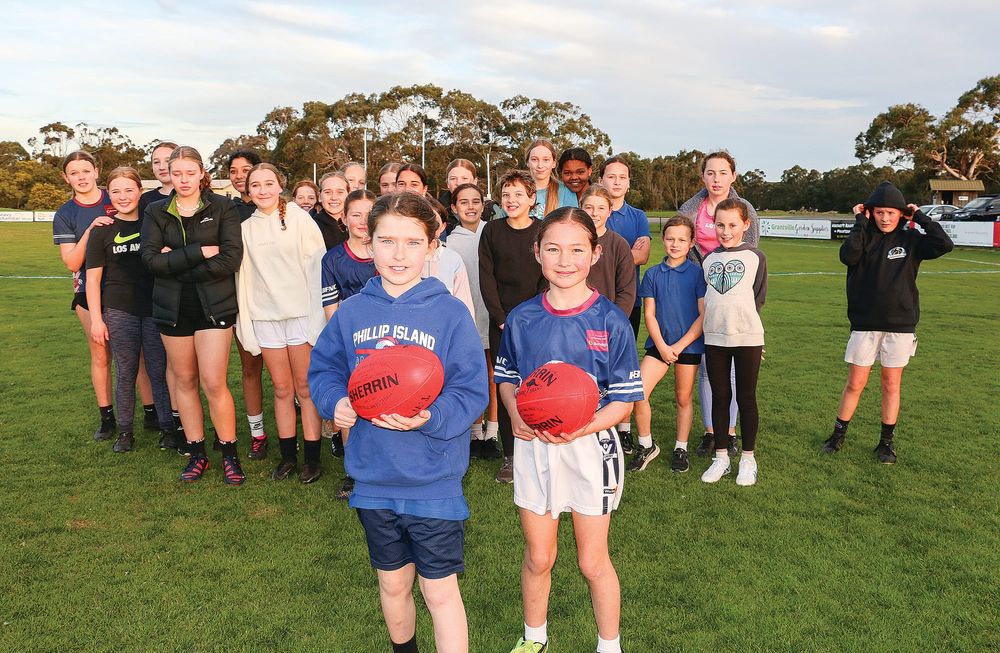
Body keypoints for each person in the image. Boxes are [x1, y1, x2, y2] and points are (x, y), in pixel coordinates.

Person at [308, 192, 488, 653]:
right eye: (387, 241)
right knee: (392, 586)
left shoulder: (449, 313)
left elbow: (472, 391)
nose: (399, 254)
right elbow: (324, 369)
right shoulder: (352, 312)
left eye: (412, 242)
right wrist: (336, 402)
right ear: (369, 244)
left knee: (439, 590)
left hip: (432, 479)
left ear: (432, 246)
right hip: (373, 476)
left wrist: (431, 417)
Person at [495, 207, 642, 653]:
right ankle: (534, 640)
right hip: (535, 447)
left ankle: (609, 646)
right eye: (553, 249)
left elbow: (623, 403)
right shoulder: (520, 318)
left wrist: (580, 426)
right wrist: (517, 415)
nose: (565, 260)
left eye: (577, 249)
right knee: (539, 556)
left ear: (595, 254)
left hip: (590, 449)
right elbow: (507, 379)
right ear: (537, 252)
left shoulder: (610, 320)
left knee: (592, 562)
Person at [821, 182, 953, 463]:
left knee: (891, 384)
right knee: (855, 383)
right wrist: (860, 222)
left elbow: (944, 243)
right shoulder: (863, 236)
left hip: (900, 325)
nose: (885, 218)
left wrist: (919, 216)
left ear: (900, 214)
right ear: (871, 213)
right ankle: (838, 435)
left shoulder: (911, 239)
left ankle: (886, 443)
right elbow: (848, 256)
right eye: (879, 212)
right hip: (864, 324)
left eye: (891, 213)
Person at [140, 146, 246, 485]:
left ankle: (230, 453)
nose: (183, 180)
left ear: (202, 173)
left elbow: (230, 260)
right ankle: (197, 452)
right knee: (184, 381)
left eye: (190, 173)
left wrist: (178, 266)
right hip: (172, 310)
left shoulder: (223, 207)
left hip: (214, 306)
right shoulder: (156, 211)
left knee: (213, 382)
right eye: (177, 173)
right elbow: (150, 261)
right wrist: (198, 252)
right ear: (168, 175)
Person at [236, 163, 327, 482]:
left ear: (279, 186)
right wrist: (245, 323)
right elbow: (244, 279)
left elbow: (318, 269)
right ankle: (289, 456)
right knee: (282, 388)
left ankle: (312, 458)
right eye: (255, 185)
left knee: (305, 387)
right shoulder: (246, 228)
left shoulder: (300, 219)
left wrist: (318, 317)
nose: (262, 190)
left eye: (268, 183)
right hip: (266, 318)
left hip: (301, 315)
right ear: (247, 190)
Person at [85, 167, 175, 453]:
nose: (123, 196)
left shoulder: (155, 224)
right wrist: (97, 320)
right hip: (119, 309)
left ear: (139, 191)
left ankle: (168, 429)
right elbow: (93, 279)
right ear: (108, 195)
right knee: (126, 370)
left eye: (128, 190)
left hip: (154, 308)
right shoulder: (102, 231)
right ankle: (125, 432)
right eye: (116, 191)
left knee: (158, 370)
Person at [678, 151, 759, 458]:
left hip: (734, 301)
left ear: (733, 176)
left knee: (735, 371)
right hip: (698, 294)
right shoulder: (690, 208)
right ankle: (712, 432)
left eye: (723, 173)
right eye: (710, 173)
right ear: (703, 176)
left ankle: (732, 432)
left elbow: (751, 260)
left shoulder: (745, 209)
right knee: (706, 368)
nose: (716, 179)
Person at [479, 170, 547, 483]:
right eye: (506, 194)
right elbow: (487, 278)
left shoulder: (541, 231)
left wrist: (529, 318)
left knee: (537, 384)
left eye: (518, 194)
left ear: (532, 199)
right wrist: (502, 317)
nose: (511, 200)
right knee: (506, 387)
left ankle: (540, 448)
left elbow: (545, 276)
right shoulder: (492, 231)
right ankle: (510, 456)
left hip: (535, 321)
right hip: (502, 323)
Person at [628, 216, 706, 473]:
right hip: (660, 346)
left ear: (691, 242)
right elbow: (649, 314)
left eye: (682, 239)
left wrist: (680, 346)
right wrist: (662, 346)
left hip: (689, 346)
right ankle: (646, 444)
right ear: (663, 240)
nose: (675, 244)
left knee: (683, 398)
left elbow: (702, 315)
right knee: (638, 391)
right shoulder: (652, 274)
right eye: (670, 238)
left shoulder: (698, 274)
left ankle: (680, 448)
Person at [699, 199, 767, 486]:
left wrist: (751, 332)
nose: (725, 231)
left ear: (745, 225)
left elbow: (758, 297)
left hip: (747, 337)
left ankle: (748, 459)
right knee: (720, 395)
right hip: (714, 338)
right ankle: (722, 458)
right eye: (720, 225)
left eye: (732, 225)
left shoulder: (756, 257)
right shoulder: (708, 259)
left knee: (746, 397)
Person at [53, 150, 118, 440]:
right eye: (74, 173)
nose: (81, 177)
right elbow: (71, 263)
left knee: (136, 354)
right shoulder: (66, 213)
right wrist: (91, 229)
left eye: (85, 170)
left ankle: (152, 412)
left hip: (125, 288)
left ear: (96, 171)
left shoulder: (115, 198)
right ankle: (106, 417)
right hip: (86, 292)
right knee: (100, 354)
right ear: (66, 178)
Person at [320, 188, 378, 496]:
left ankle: (383, 466)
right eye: (356, 214)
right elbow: (332, 312)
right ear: (343, 218)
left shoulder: (387, 254)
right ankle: (353, 470)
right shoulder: (333, 259)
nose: (363, 221)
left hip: (386, 342)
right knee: (350, 405)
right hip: (349, 343)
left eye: (370, 214)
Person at [600, 156, 650, 453]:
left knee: (623, 364)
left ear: (629, 182)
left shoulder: (638, 216)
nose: (616, 182)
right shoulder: (592, 211)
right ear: (602, 179)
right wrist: (623, 255)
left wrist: (607, 258)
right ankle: (598, 420)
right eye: (611, 176)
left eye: (622, 177)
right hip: (594, 301)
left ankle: (624, 427)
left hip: (627, 300)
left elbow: (642, 256)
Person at [447, 183, 500, 458]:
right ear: (454, 208)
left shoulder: (492, 233)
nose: (470, 207)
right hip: (466, 316)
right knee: (471, 374)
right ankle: (473, 432)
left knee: (493, 374)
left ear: (483, 205)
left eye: (476, 201)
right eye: (463, 202)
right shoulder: (449, 242)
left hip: (490, 314)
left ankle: (492, 432)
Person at [579, 184, 635, 317]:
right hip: (573, 317)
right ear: (580, 208)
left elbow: (626, 291)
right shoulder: (568, 241)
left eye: (601, 208)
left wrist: (615, 321)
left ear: (610, 211)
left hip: (606, 319)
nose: (594, 213)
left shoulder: (619, 245)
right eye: (589, 207)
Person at [525, 139, 578, 217]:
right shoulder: (516, 190)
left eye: (546, 160)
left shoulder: (566, 192)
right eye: (534, 159)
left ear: (553, 163)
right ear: (527, 162)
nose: (540, 165)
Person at [139, 141, 179, 217]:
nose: (161, 167)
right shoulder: (146, 199)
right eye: (156, 162)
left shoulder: (198, 196)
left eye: (168, 161)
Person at [314, 171, 351, 250]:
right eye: (328, 192)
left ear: (349, 195)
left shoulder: (358, 224)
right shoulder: (311, 227)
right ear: (320, 196)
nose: (334, 197)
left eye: (340, 192)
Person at [227, 150, 262, 220]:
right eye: (233, 171)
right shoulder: (227, 210)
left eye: (245, 170)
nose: (239, 176)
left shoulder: (272, 208)